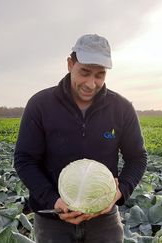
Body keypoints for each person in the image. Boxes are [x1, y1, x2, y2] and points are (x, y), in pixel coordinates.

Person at [14, 34, 147, 243]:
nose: (91, 84)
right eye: (84, 72)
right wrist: (54, 199)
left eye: (99, 75)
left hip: (104, 220)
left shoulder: (121, 108)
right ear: (70, 64)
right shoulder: (40, 105)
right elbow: (24, 159)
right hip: (52, 220)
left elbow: (137, 158)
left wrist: (119, 192)